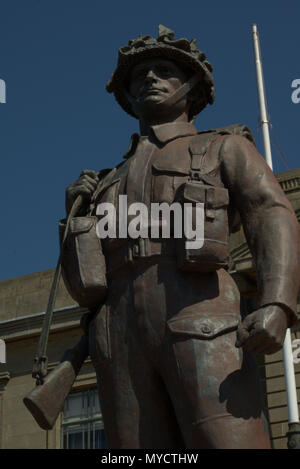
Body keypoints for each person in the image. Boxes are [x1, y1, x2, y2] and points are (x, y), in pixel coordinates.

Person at [63, 25, 300, 448]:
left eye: (162, 71)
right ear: (127, 95)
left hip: (200, 314)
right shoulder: (103, 181)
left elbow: (271, 213)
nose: (149, 80)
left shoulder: (223, 147)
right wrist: (75, 214)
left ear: (191, 87)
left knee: (228, 440)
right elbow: (84, 280)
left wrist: (277, 302)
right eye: (139, 76)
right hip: (118, 334)